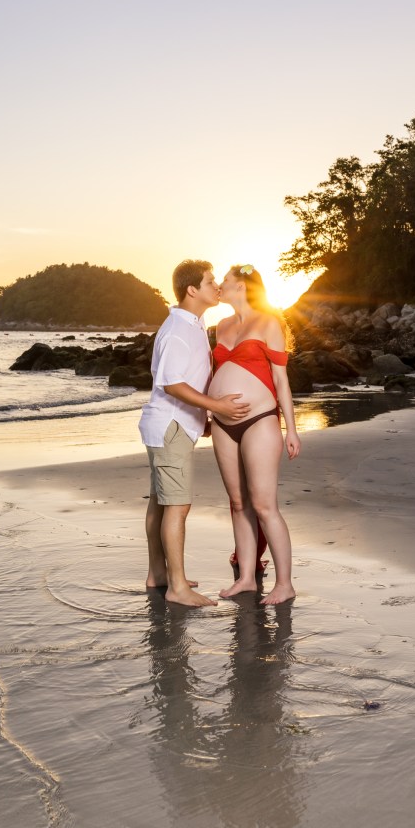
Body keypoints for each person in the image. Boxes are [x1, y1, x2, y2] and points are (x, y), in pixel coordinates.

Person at [138, 259, 251, 607]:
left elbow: (188, 375)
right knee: (178, 505)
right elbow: (171, 383)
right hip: (170, 425)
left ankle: (159, 574)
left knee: (161, 500)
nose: (216, 286)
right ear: (192, 290)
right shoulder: (178, 330)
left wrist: (201, 415)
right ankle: (177, 588)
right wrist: (215, 407)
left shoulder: (194, 323)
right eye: (209, 281)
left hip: (174, 425)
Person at [207, 264, 301, 604]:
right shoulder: (222, 326)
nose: (219, 285)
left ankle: (285, 583)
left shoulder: (269, 322)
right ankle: (246, 577)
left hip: (260, 419)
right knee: (237, 503)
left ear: (243, 286)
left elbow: (281, 381)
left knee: (264, 505)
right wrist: (208, 408)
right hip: (221, 423)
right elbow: (218, 371)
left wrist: (291, 429)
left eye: (226, 281)